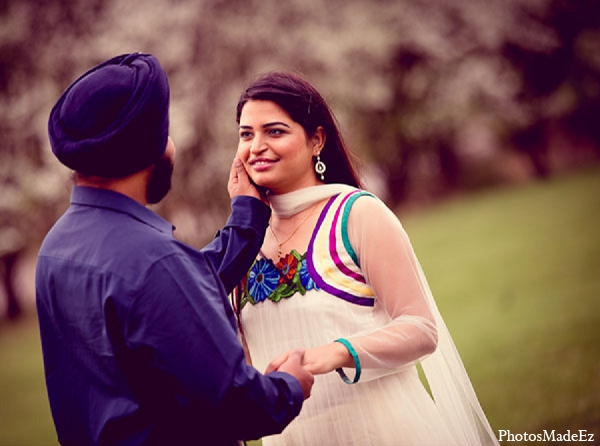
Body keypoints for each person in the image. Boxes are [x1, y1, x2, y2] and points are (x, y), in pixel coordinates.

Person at [35, 53, 313, 446]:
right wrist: (291, 385)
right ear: (149, 148)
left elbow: (176, 301)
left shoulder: (57, 248)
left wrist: (247, 218)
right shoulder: (152, 262)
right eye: (164, 132)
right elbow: (238, 404)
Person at [232, 71, 500, 445]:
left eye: (274, 131)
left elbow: (421, 328)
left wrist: (337, 353)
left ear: (317, 140)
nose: (256, 146)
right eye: (247, 134)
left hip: (383, 432)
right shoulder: (241, 241)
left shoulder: (356, 214)